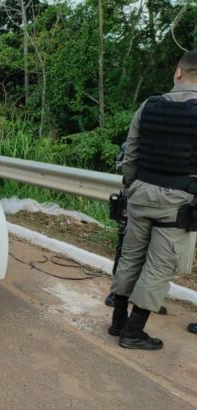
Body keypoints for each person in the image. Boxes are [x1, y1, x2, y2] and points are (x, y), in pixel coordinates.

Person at [109, 49, 197, 350]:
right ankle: (133, 332)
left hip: (140, 194)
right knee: (159, 268)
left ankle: (117, 322)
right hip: (178, 202)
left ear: (178, 73)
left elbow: (129, 153)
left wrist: (134, 185)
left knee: (130, 257)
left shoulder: (149, 105)